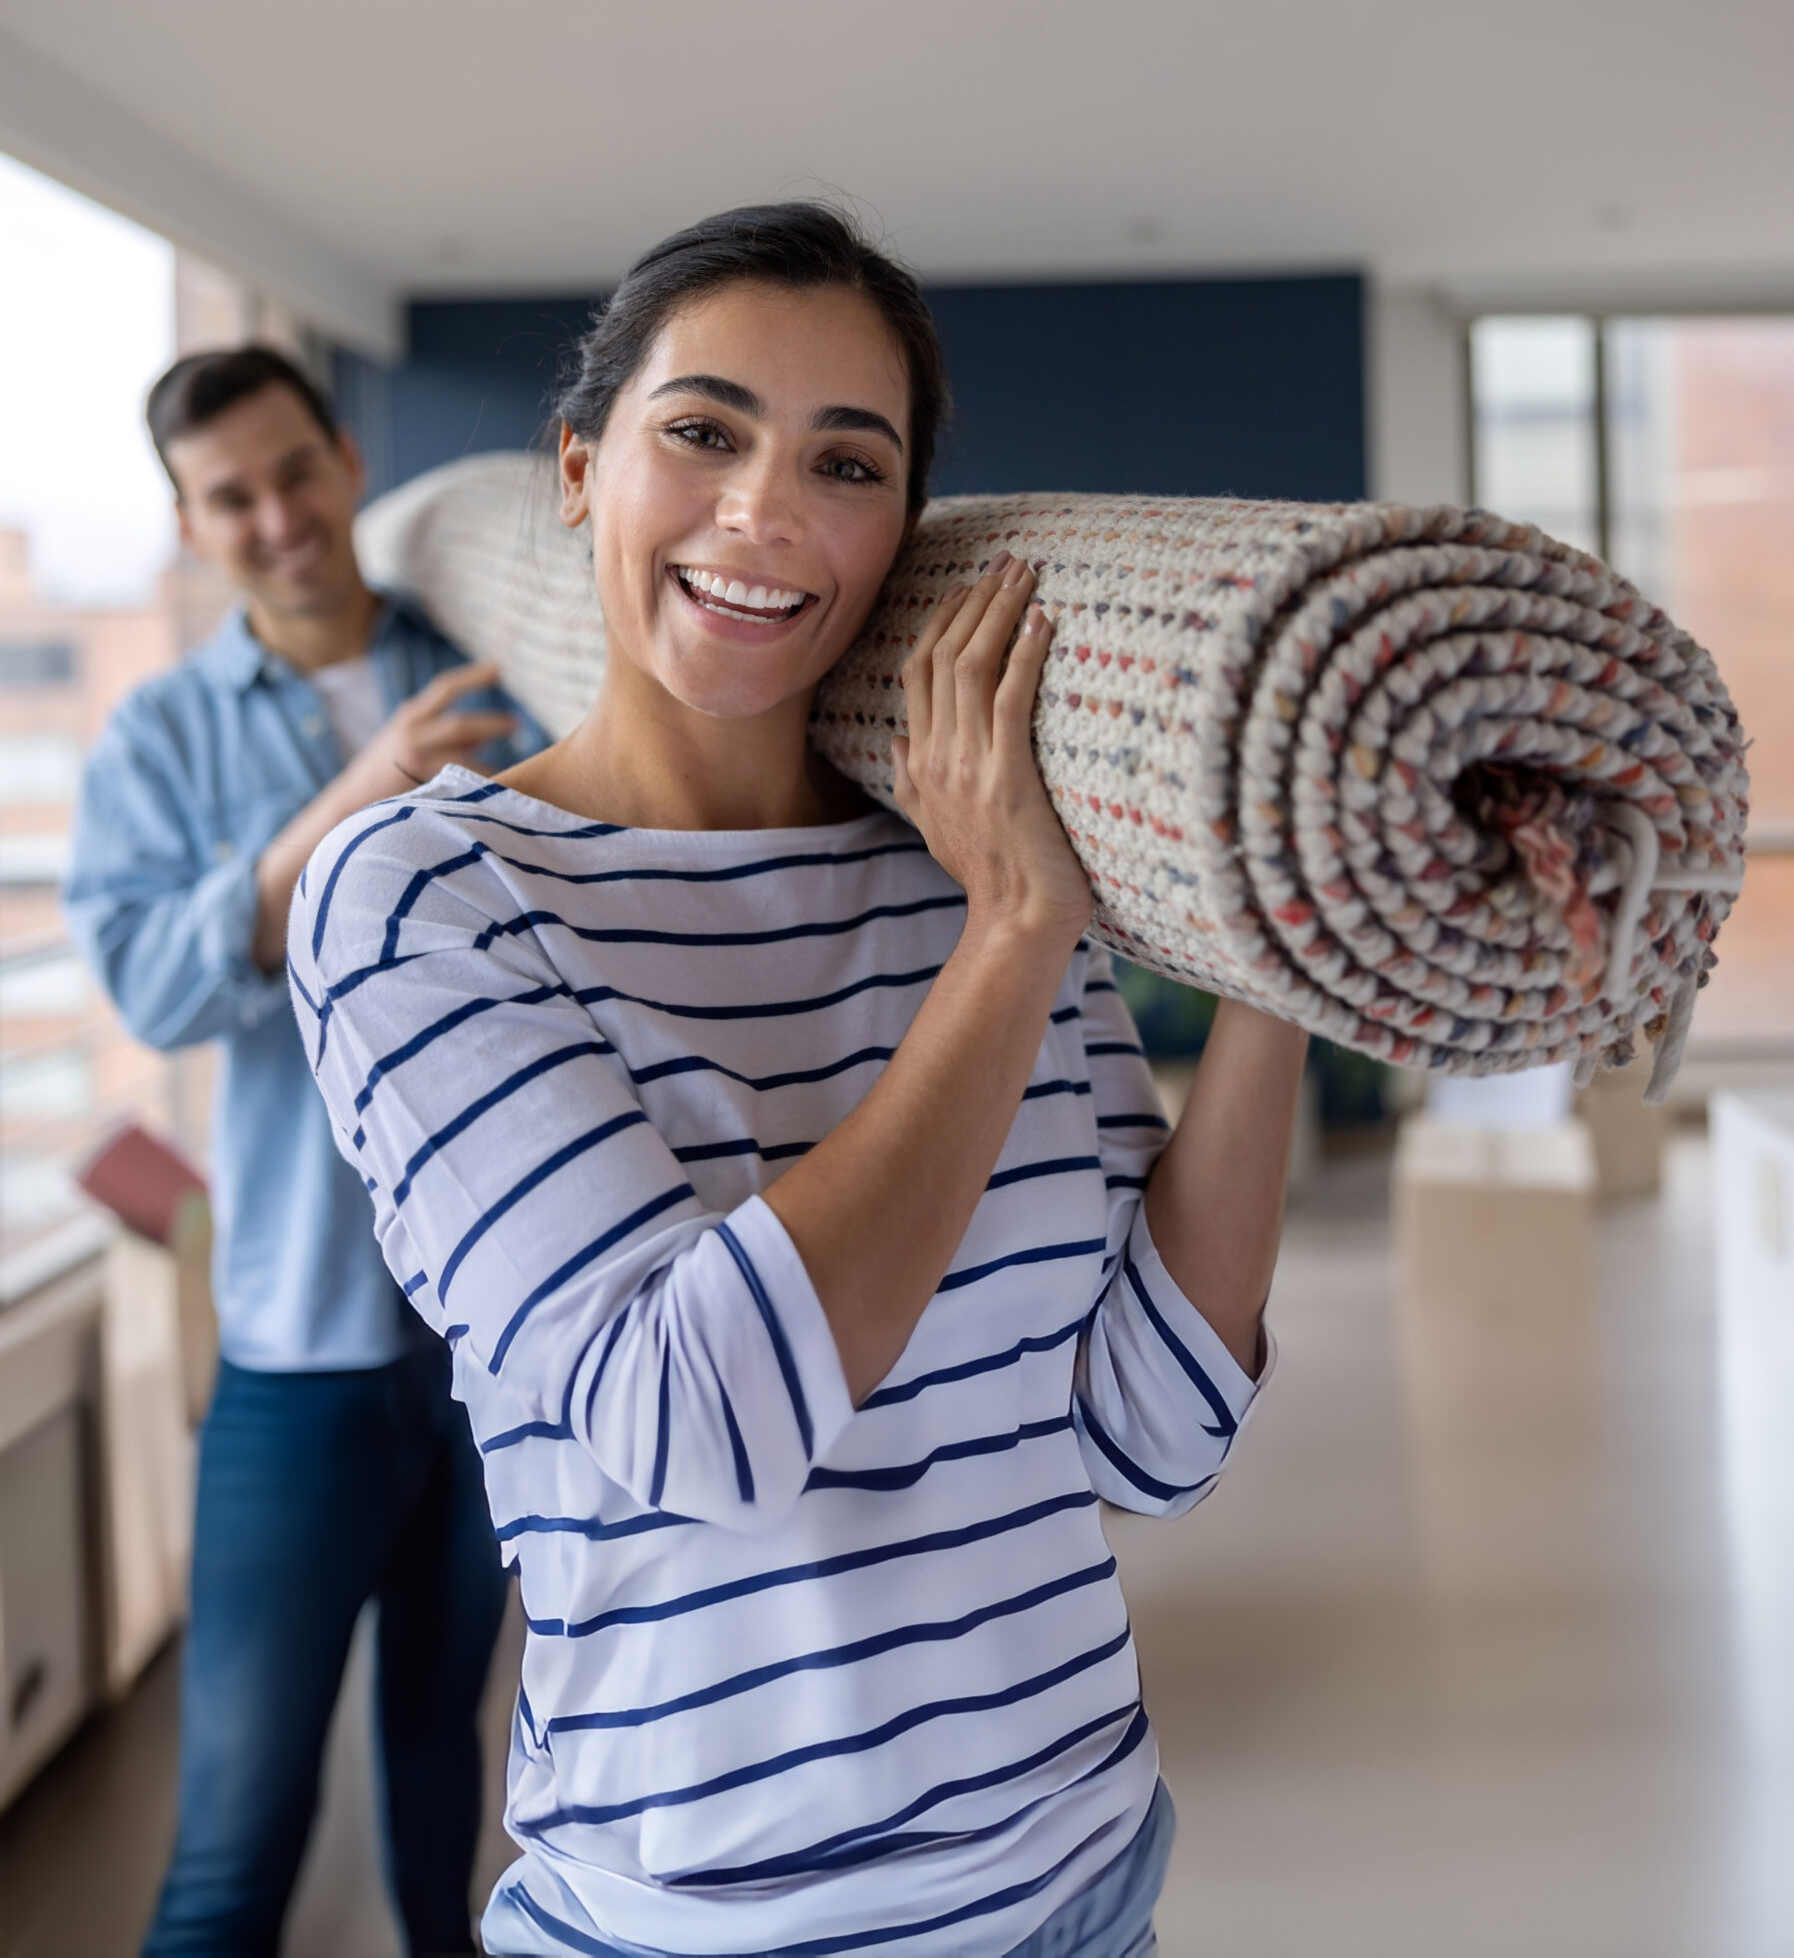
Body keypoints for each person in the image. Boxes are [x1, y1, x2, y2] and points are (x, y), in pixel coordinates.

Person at [287, 206, 1307, 1958]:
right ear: (581, 471)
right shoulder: (422, 897)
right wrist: (1007, 944)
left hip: (1085, 1875)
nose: (765, 511)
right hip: (712, 1927)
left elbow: (1152, 1432)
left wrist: (1280, 936)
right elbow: (701, 1423)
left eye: (848, 461)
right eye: (704, 431)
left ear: (900, 529)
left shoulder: (983, 860)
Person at [66, 344, 546, 1958]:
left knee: (441, 1790)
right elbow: (149, 983)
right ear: (190, 524)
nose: (275, 518)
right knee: (235, 1846)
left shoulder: (501, 662)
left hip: (490, 1343)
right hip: (300, 1350)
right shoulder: (159, 739)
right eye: (230, 497)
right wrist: (353, 797)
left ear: (345, 461)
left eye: (293, 473)